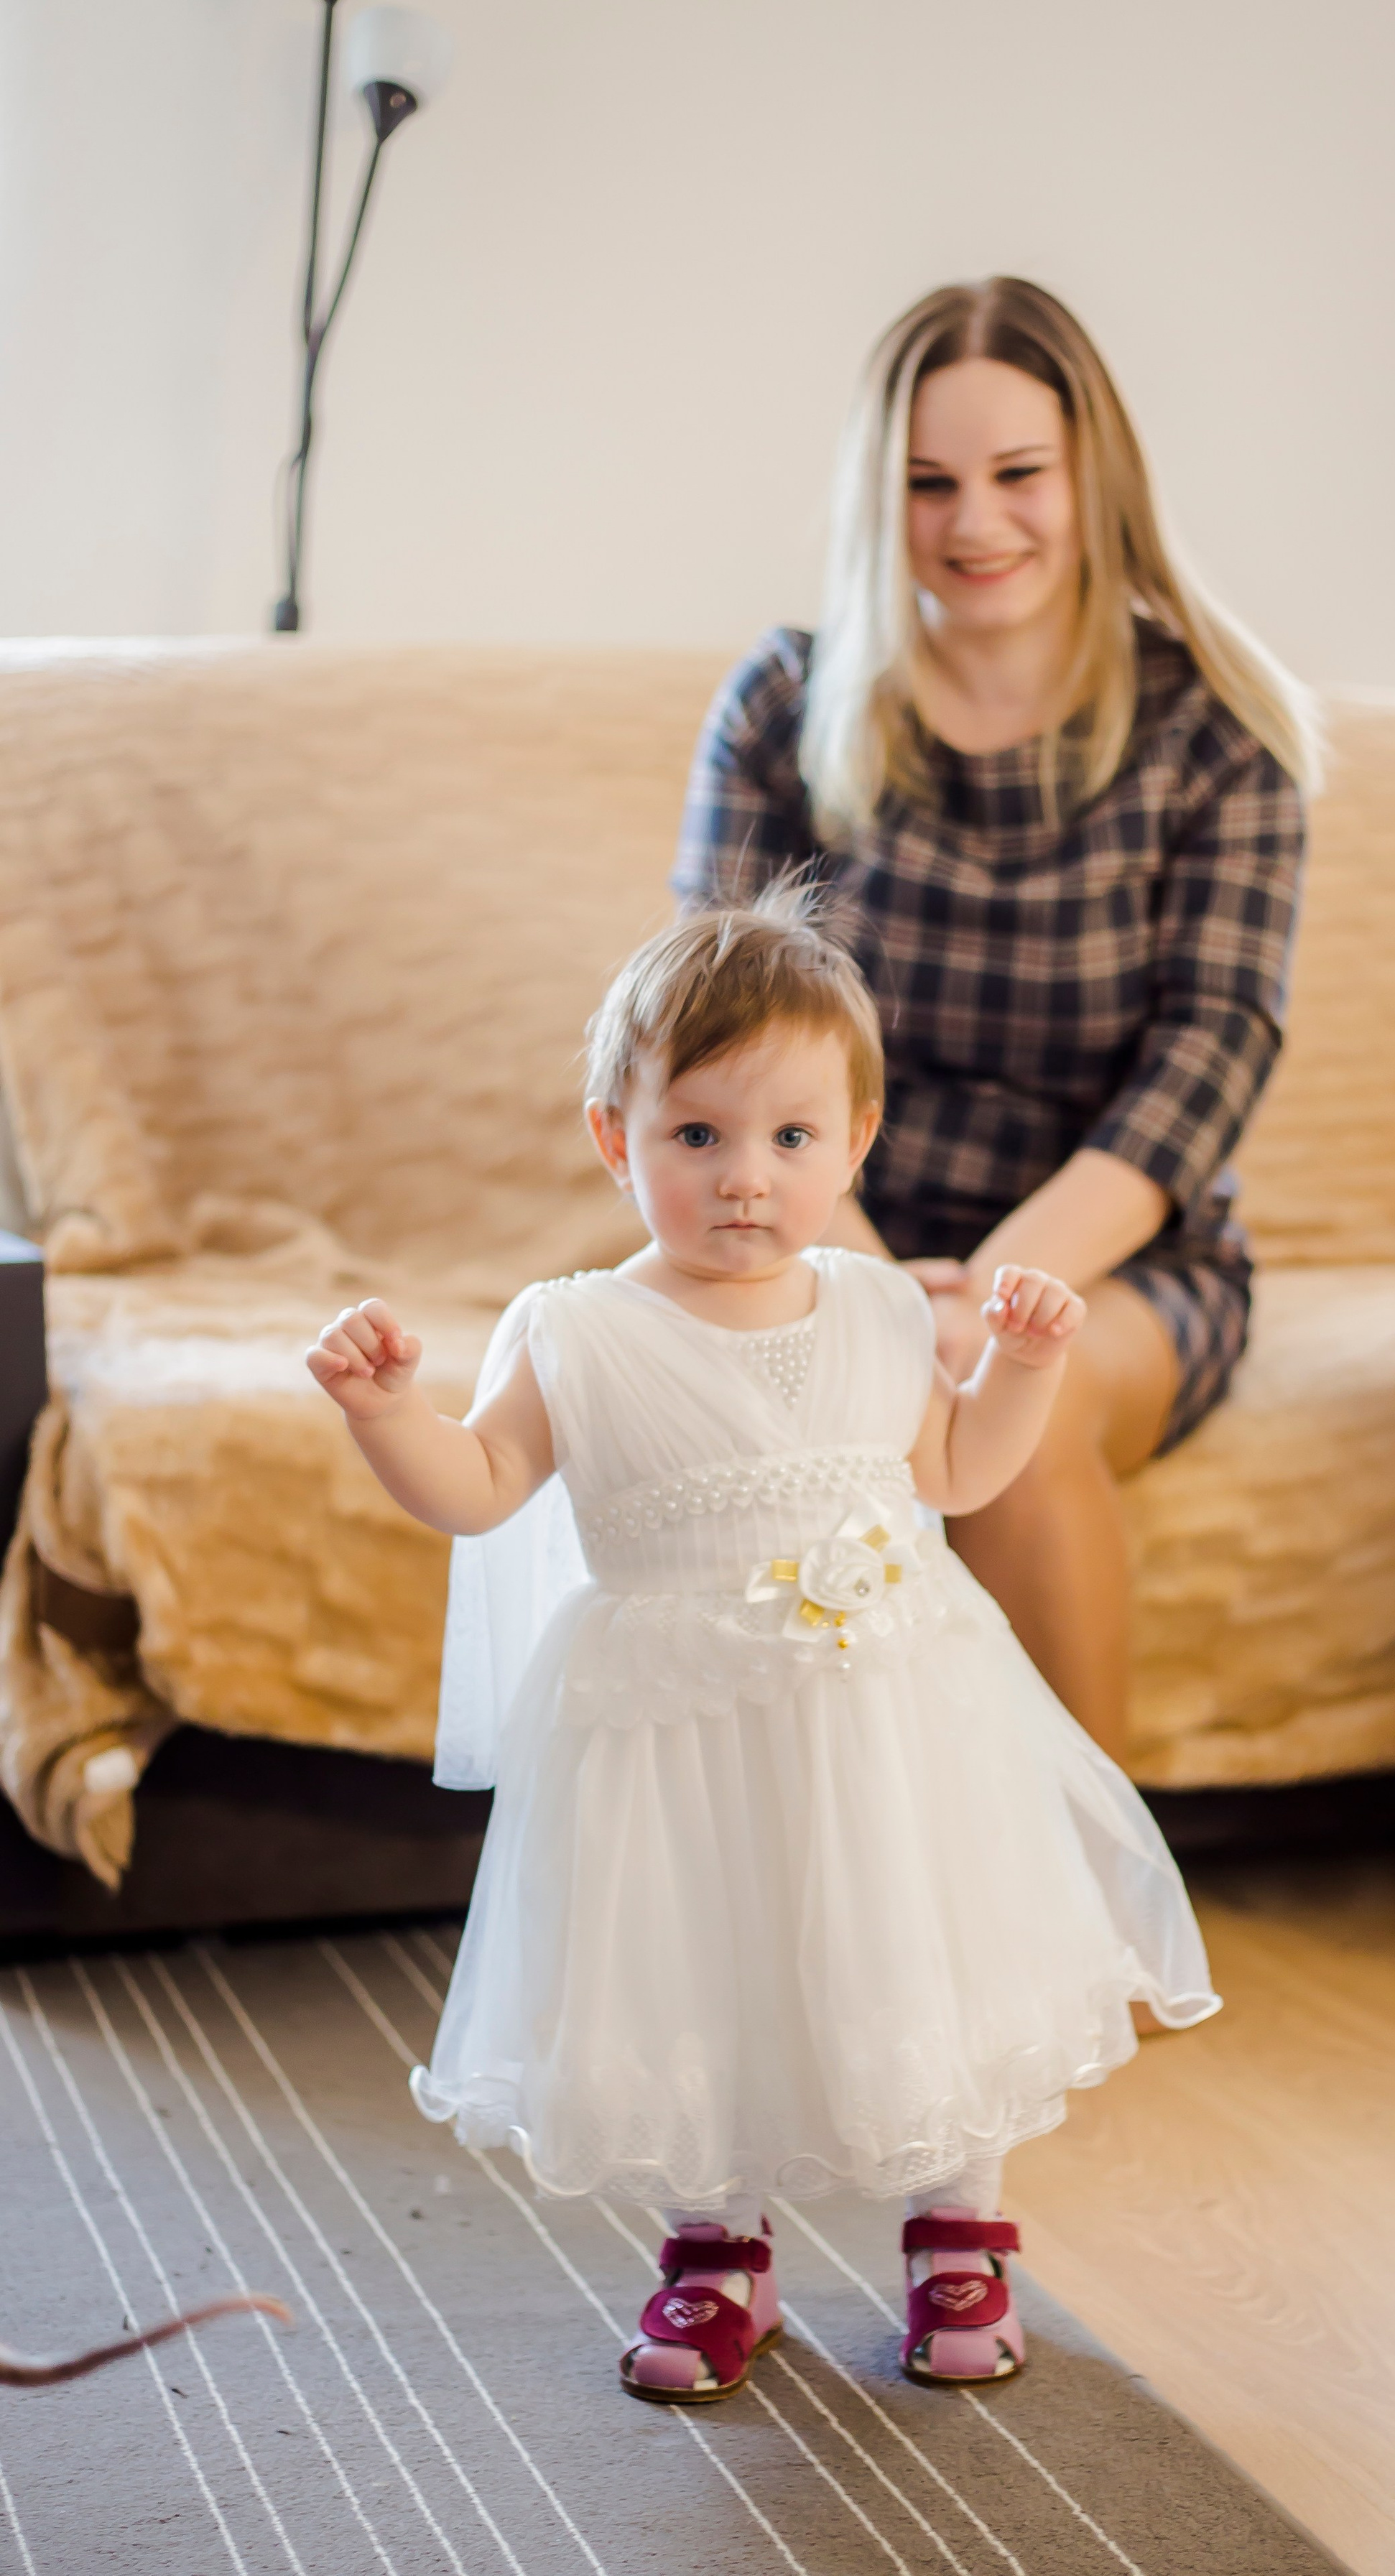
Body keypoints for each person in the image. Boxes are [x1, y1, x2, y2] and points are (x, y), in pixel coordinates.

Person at [307, 894, 1218, 2401]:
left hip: (892, 1715)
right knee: (702, 1967)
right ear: (617, 1138)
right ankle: (716, 2251)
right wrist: (389, 1413)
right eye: (698, 1137)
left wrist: (1024, 1364)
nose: (746, 1179)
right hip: (678, 1730)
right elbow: (476, 1491)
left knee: (924, 1944)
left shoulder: (875, 1302)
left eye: (792, 1139)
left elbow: (954, 1475)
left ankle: (957, 2230)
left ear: (856, 1140)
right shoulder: (575, 1329)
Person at [674, 277, 1317, 1762]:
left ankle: (1091, 1940)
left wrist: (992, 1295)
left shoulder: (1221, 727)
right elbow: (706, 1045)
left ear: (1092, 476)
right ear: (875, 497)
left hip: (1114, 1255)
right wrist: (879, 1289)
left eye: (1017, 474)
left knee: (1008, 1417)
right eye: (928, 483)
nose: (976, 524)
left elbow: (1207, 1055)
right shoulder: (781, 704)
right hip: (811, 1232)